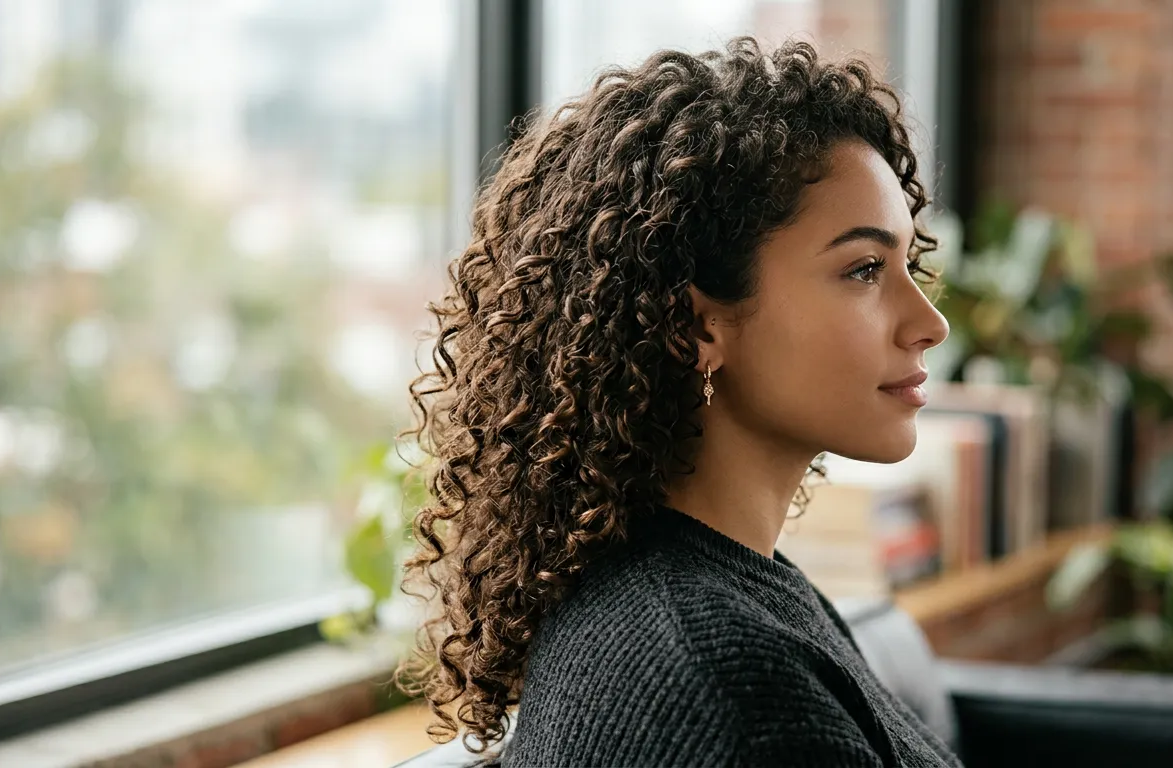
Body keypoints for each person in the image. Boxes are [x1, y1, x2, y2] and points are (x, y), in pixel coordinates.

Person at [399, 35, 957, 767]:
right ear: (697, 324)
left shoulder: (729, 591)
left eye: (905, 263)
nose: (930, 324)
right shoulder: (733, 688)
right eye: (861, 270)